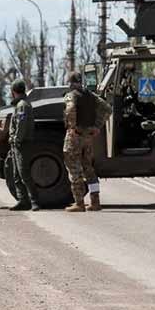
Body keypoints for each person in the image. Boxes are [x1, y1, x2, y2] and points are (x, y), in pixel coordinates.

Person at [63, 71, 112, 212]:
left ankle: (79, 203)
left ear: (71, 82)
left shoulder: (71, 95)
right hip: (88, 137)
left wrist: (72, 126)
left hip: (75, 136)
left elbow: (71, 109)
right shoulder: (91, 96)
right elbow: (107, 109)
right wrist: (97, 126)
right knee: (89, 169)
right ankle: (95, 202)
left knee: (74, 169)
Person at [8, 78, 39, 211]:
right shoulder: (20, 104)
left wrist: (16, 139)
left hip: (22, 144)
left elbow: (21, 125)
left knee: (24, 174)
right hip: (17, 144)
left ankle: (34, 201)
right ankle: (23, 201)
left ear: (14, 91)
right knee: (16, 175)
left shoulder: (22, 106)